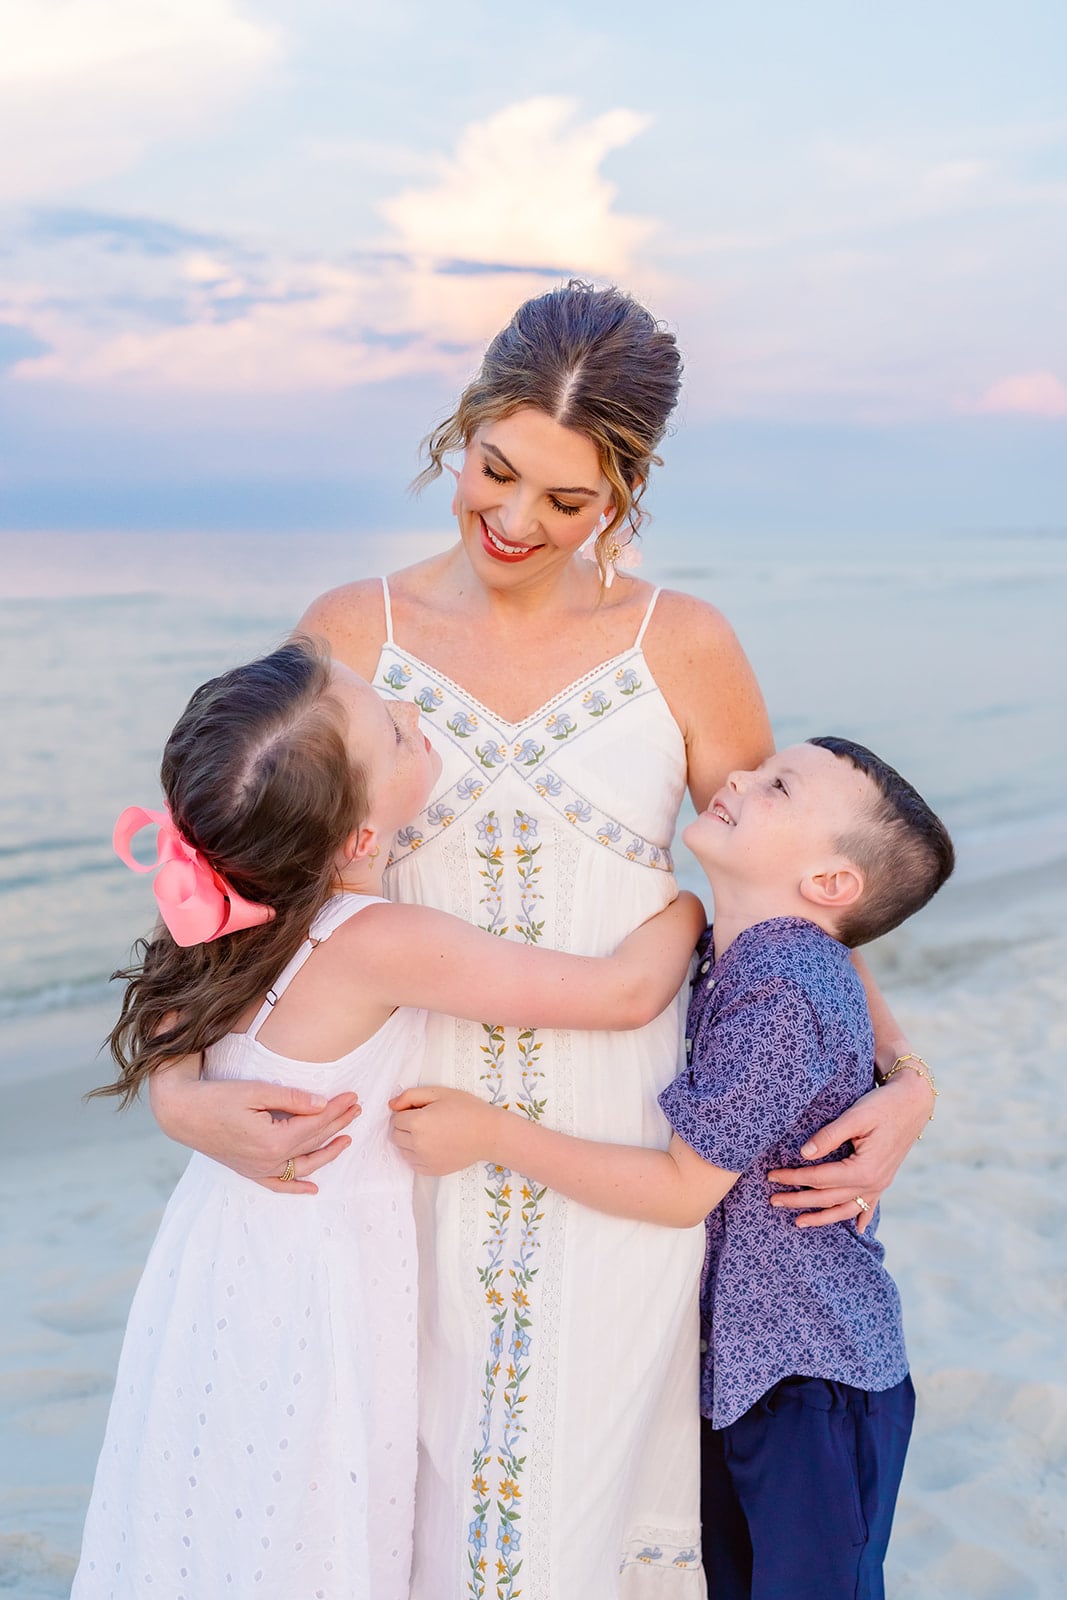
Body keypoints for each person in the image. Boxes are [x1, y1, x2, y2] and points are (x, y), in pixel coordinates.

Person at [147, 282, 936, 1598]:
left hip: (621, 1145)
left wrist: (902, 1081)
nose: (513, 521)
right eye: (493, 470)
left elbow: (791, 902)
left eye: (565, 502)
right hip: (398, 1148)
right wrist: (178, 1091)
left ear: (622, 494)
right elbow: (240, 876)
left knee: (587, 1510)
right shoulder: (352, 633)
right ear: (459, 430)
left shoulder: (677, 643)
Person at [72, 638, 703, 1600]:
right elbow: (620, 994)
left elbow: (166, 1017)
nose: (418, 721)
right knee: (308, 1510)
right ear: (361, 841)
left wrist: (181, 1093)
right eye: (398, 732)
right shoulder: (376, 939)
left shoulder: (225, 908)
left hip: (216, 1248)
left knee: (210, 1495)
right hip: (317, 1274)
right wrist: (691, 908)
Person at [392, 736, 952, 1600]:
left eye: (777, 788)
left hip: (812, 1373)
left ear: (830, 885)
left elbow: (682, 1189)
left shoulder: (783, 991)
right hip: (758, 1369)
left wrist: (491, 1133)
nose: (734, 778)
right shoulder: (740, 953)